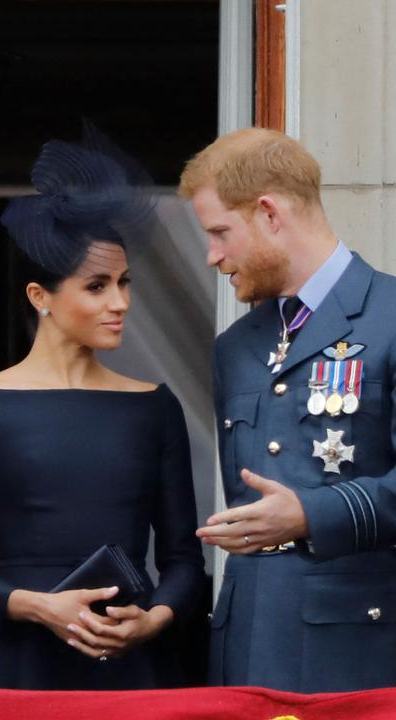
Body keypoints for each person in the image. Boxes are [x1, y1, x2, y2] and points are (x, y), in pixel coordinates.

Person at [0, 131, 205, 690]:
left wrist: (154, 619)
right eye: (97, 286)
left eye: (124, 283)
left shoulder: (155, 407)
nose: (120, 302)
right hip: (14, 668)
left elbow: (185, 563)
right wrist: (36, 606)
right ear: (40, 297)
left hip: (132, 668)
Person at [181, 128, 396, 692]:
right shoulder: (237, 346)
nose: (213, 256)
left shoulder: (391, 317)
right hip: (246, 643)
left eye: (220, 232)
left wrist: (310, 515)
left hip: (354, 649)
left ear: (269, 213)